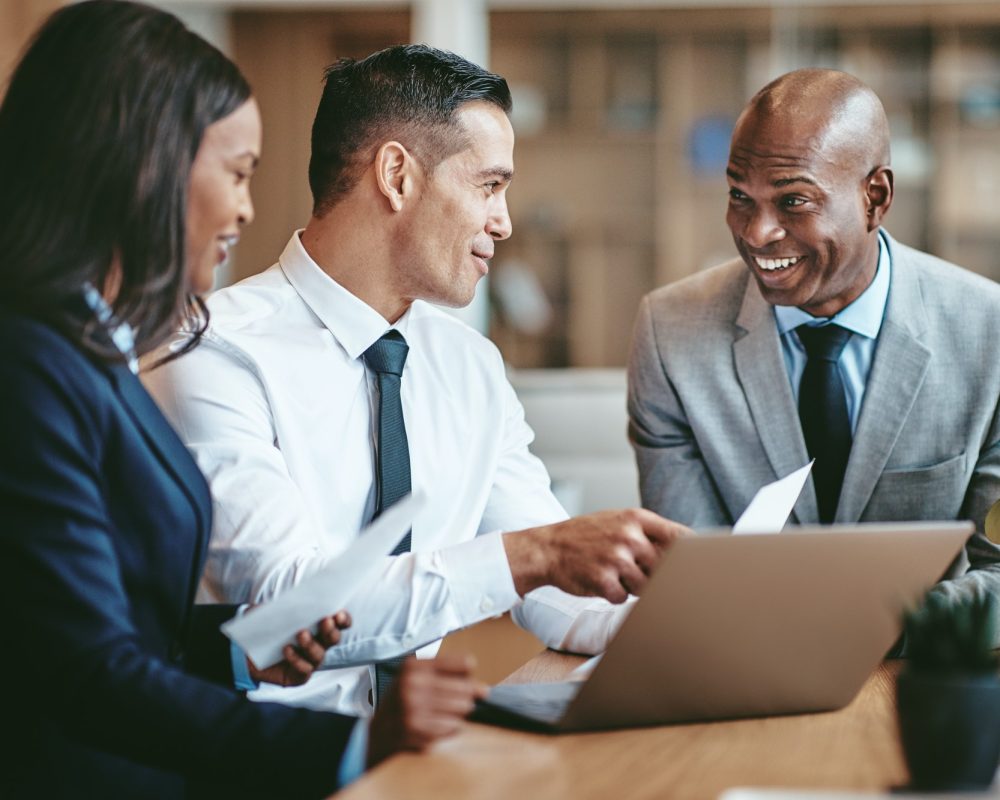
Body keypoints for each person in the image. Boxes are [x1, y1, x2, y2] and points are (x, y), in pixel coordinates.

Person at [0, 4, 485, 798]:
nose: (249, 209)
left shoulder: (90, 351)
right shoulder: (29, 363)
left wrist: (235, 650)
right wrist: (348, 748)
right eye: (236, 172)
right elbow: (80, 673)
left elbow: (90, 621)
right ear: (143, 167)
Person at [144, 44, 687, 715]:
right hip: (274, 765)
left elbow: (555, 595)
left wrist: (704, 623)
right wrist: (533, 554)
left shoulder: (469, 364)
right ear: (396, 175)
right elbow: (290, 609)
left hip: (420, 755)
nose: (504, 222)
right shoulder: (215, 353)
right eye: (488, 186)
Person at [627, 68, 1000, 618]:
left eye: (794, 201)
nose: (756, 234)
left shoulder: (987, 332)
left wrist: (866, 626)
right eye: (739, 195)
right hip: (743, 665)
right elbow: (691, 572)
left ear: (875, 197)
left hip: (914, 672)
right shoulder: (670, 332)